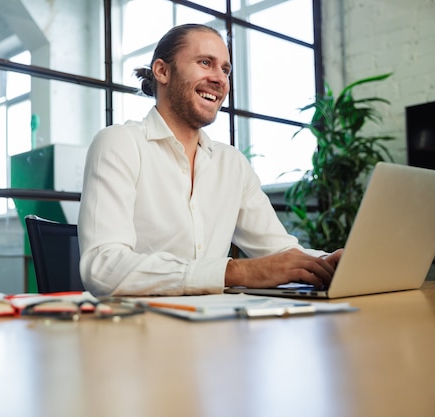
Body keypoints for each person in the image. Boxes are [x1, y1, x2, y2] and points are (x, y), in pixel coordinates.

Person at [77, 23, 342, 296]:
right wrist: (237, 272)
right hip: (139, 328)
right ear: (162, 71)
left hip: (216, 326)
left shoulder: (232, 164)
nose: (220, 79)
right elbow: (102, 267)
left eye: (225, 70)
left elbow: (281, 251)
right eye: (205, 63)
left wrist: (330, 262)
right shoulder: (120, 143)